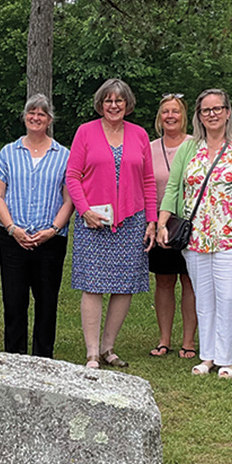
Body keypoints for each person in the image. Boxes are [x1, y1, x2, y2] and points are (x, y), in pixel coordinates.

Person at [157, 89, 232, 380]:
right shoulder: (189, 149)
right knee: (204, 299)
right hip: (197, 237)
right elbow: (174, 188)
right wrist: (162, 221)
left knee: (228, 297)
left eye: (218, 109)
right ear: (199, 116)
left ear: (228, 112)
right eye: (206, 110)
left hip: (231, 235)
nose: (212, 114)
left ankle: (228, 359)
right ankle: (208, 356)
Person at [65, 79, 158, 369]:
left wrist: (152, 221)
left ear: (127, 104)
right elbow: (72, 176)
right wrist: (84, 211)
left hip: (131, 221)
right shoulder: (85, 132)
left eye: (119, 100)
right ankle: (92, 352)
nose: (114, 105)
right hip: (93, 222)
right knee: (92, 285)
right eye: (108, 100)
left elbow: (148, 181)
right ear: (100, 104)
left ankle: (108, 348)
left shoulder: (140, 135)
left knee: (123, 286)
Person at [0, 94, 73, 357]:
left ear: (50, 119)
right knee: (14, 301)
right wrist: (12, 228)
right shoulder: (8, 152)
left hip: (50, 239)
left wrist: (54, 229)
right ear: (25, 116)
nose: (36, 117)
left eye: (42, 114)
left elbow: (69, 199)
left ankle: (43, 356)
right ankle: (14, 355)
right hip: (13, 237)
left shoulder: (63, 155)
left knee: (47, 301)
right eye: (31, 112)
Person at [147, 94, 199, 360]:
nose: (170, 116)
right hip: (161, 223)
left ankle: (189, 341)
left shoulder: (196, 145)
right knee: (164, 281)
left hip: (192, 223)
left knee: (190, 281)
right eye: (165, 111)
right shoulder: (150, 147)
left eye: (175, 111)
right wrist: (153, 223)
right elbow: (146, 185)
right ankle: (164, 338)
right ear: (160, 116)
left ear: (184, 115)